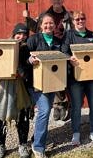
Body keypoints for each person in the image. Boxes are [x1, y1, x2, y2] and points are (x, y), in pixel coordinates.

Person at [0, 23, 32, 158]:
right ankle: (0, 146)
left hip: (19, 86)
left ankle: (22, 145)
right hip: (2, 86)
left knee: (22, 116)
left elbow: (28, 64)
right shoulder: (4, 44)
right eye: (19, 34)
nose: (21, 37)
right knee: (0, 116)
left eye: (24, 34)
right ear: (14, 34)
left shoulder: (26, 48)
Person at [23, 0, 73, 121]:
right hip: (45, 45)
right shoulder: (45, 15)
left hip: (61, 46)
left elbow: (72, 32)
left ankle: (62, 104)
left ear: (62, 0)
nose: (56, 2)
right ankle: (57, 105)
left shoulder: (68, 16)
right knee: (49, 74)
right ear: (52, 1)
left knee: (60, 74)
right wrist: (27, 19)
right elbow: (36, 28)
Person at [61, 11, 93, 145]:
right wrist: (69, 58)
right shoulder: (69, 35)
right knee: (77, 106)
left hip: (91, 78)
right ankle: (76, 133)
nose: (80, 21)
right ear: (73, 21)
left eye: (82, 18)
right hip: (76, 78)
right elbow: (63, 50)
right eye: (77, 19)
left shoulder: (92, 35)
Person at [27, 13, 62, 158]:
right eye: (46, 23)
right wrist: (30, 60)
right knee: (45, 110)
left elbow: (62, 57)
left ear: (54, 26)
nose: (48, 26)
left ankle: (36, 139)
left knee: (45, 113)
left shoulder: (57, 41)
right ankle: (38, 147)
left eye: (51, 23)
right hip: (36, 83)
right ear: (40, 25)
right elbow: (23, 58)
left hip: (51, 82)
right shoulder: (33, 39)